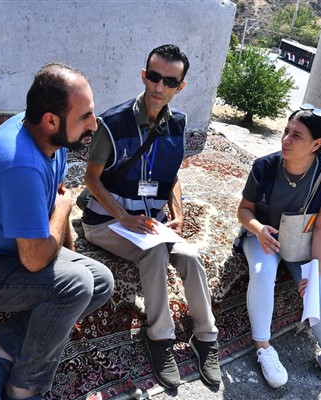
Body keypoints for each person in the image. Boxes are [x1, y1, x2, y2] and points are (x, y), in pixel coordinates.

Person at [0, 63, 115, 400]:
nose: (94, 125)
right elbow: (34, 259)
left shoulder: (48, 141)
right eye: (85, 116)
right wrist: (63, 212)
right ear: (51, 120)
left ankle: (2, 348)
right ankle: (24, 387)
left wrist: (67, 248)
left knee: (101, 280)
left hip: (5, 255)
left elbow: (53, 204)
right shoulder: (21, 165)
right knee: (76, 284)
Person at [81, 44, 221, 388]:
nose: (159, 87)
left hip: (149, 223)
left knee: (189, 254)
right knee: (155, 252)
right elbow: (90, 179)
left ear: (180, 87)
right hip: (107, 221)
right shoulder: (112, 124)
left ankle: (206, 335)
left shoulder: (179, 124)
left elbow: (172, 175)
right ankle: (160, 338)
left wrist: (177, 211)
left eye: (169, 81)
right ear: (144, 76)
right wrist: (122, 216)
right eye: (154, 77)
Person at [235, 105, 321, 392]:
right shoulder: (264, 166)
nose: (285, 139)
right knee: (262, 274)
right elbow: (244, 211)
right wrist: (258, 229)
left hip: (305, 240)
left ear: (316, 144)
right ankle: (263, 347)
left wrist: (315, 271)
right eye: (286, 131)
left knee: (320, 295)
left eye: (296, 136)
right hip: (265, 236)